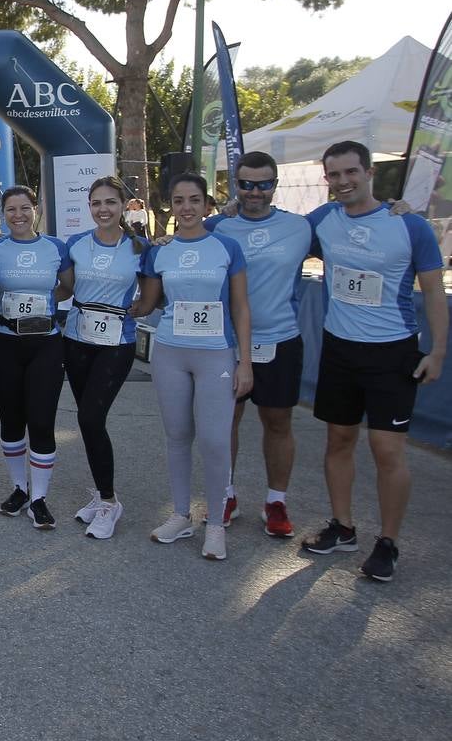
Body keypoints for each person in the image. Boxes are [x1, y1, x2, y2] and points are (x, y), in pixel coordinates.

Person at [301, 140, 446, 582]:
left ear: (369, 173)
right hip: (340, 349)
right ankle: (343, 527)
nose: (343, 181)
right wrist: (230, 209)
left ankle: (388, 542)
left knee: (387, 450)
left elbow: (434, 292)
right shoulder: (323, 220)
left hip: (392, 352)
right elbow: (274, 230)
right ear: (327, 180)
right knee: (339, 440)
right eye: (334, 175)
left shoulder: (409, 225)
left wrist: (438, 351)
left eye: (351, 172)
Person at [133, 173, 252, 561]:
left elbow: (241, 308)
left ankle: (215, 523)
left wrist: (245, 362)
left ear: (206, 205)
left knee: (215, 441)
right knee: (178, 435)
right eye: (179, 201)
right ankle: (181, 515)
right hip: (170, 352)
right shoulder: (160, 251)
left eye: (194, 200)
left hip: (216, 354)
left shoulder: (226, 247)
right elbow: (147, 303)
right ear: (171, 206)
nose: (186, 208)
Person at [203, 152, 312, 537]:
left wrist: (393, 206)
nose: (254, 191)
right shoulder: (218, 226)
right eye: (246, 184)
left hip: (280, 339)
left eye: (263, 184)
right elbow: (184, 236)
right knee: (226, 421)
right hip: (228, 343)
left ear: (275, 185)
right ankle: (226, 494)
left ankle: (276, 501)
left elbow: (350, 220)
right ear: (236, 184)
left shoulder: (302, 227)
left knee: (278, 422)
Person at [55, 177, 150, 539]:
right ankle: (100, 493)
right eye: (96, 203)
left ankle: (110, 502)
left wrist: (129, 310)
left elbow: (149, 298)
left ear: (124, 205)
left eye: (110, 202)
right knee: (88, 421)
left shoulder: (140, 247)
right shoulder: (77, 244)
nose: (103, 209)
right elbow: (66, 287)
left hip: (116, 343)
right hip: (77, 339)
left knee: (91, 417)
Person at [0, 186, 71, 528]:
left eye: (25, 208)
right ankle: (19, 489)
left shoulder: (55, 248)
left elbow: (67, 287)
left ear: (35, 209)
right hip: (5, 343)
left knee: (41, 421)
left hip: (45, 343)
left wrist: (42, 307)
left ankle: (39, 498)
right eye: (11, 209)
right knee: (11, 420)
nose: (18, 215)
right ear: (3, 213)